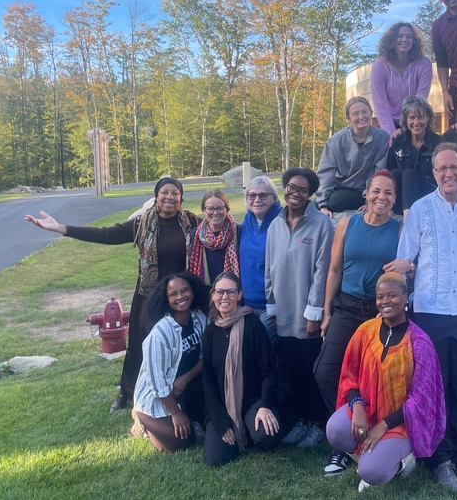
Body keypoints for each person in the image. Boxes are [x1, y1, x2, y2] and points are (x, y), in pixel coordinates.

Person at [25, 176, 199, 412]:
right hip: (149, 296)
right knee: (140, 345)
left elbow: (217, 229)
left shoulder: (191, 222)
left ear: (181, 197)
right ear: (156, 197)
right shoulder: (141, 224)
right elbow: (104, 234)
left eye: (174, 193)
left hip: (181, 296)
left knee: (181, 343)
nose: (169, 197)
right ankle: (126, 392)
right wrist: (60, 228)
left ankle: (177, 392)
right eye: (164, 193)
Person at [386, 142, 457, 492]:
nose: (448, 174)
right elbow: (405, 259)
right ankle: (441, 461)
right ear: (433, 173)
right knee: (434, 390)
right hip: (430, 313)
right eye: (441, 169)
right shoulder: (420, 210)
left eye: (454, 167)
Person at [314, 170, 401, 476]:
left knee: (373, 376)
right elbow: (334, 270)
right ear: (366, 193)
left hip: (380, 312)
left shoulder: (400, 230)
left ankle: (374, 436)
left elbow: (403, 276)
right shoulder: (346, 224)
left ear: (394, 198)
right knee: (325, 370)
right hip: (348, 307)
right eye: (376, 191)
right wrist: (326, 312)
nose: (382, 197)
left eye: (389, 193)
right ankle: (346, 440)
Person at [326, 273, 446, 492]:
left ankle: (402, 462)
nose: (385, 301)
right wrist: (358, 407)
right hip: (368, 409)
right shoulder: (365, 331)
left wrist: (383, 426)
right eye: (380, 297)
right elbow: (349, 375)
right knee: (335, 430)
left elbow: (420, 401)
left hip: (401, 423)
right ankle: (371, 457)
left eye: (392, 295)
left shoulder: (419, 343)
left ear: (406, 298)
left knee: (373, 472)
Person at [265, 167, 333, 447]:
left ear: (311, 194)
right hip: (284, 312)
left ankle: (318, 424)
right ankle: (302, 421)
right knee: (293, 369)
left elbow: (323, 271)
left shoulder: (321, 225)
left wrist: (314, 312)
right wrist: (272, 305)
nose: (295, 193)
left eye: (303, 190)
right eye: (291, 187)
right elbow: (270, 267)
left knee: (312, 370)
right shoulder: (275, 225)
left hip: (308, 316)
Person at [202, 272, 281, 467]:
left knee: (267, 436)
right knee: (215, 459)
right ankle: (236, 429)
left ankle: (249, 426)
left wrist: (264, 405)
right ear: (213, 295)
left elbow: (269, 371)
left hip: (253, 402)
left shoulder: (254, 325)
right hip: (221, 405)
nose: (225, 297)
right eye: (220, 292)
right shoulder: (210, 331)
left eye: (231, 292)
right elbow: (208, 380)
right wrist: (221, 423)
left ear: (239, 295)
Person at [132, 272, 209, 453]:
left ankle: (187, 414)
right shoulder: (159, 334)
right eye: (173, 294)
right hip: (157, 394)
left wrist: (185, 378)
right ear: (166, 299)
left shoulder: (201, 321)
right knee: (181, 443)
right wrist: (175, 413)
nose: (180, 297)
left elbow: (206, 357)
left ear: (193, 292)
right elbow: (157, 383)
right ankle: (142, 419)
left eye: (184, 291)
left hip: (185, 385)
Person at [317, 97, 389, 216]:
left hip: (364, 191)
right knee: (313, 205)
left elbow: (378, 173)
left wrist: (370, 201)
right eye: (355, 114)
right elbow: (326, 175)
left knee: (336, 201)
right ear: (348, 119)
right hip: (342, 186)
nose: (361, 117)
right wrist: (323, 205)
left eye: (365, 112)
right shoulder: (335, 142)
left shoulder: (382, 139)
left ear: (371, 113)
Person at [239, 176, 283, 350]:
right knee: (246, 350)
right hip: (247, 304)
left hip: (271, 305)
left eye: (263, 195)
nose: (257, 200)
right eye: (252, 195)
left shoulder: (281, 222)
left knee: (264, 351)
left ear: (274, 197)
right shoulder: (247, 221)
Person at [369, 22, 433, 136]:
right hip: (389, 121)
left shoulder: (424, 64)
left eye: (409, 37)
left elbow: (420, 100)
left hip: (414, 120)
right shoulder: (379, 66)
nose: (404, 39)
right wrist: (392, 134)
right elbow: (380, 104)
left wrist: (410, 129)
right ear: (391, 41)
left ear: (414, 41)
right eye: (400, 36)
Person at [387, 96, 441, 216]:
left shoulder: (438, 142)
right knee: (394, 173)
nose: (416, 123)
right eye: (411, 118)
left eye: (421, 117)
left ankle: (408, 222)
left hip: (428, 195)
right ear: (405, 120)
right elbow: (389, 170)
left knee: (408, 174)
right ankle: (387, 217)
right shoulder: (398, 141)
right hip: (402, 198)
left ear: (428, 118)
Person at [189, 189, 241, 285]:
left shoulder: (238, 231)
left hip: (231, 292)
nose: (215, 213)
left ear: (227, 209)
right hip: (205, 292)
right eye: (210, 208)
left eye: (220, 208)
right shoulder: (196, 234)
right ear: (204, 210)